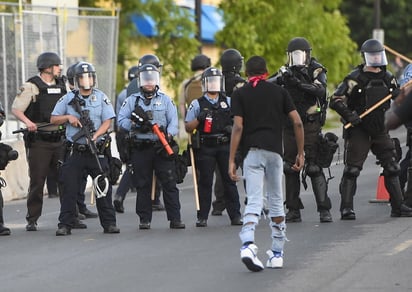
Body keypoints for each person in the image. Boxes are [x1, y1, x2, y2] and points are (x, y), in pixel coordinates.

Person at [229, 55, 304, 271]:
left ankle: (248, 245)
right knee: (276, 202)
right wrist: (300, 152)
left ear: (246, 73)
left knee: (253, 200)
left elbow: (238, 128)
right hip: (275, 153)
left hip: (252, 152)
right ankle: (277, 253)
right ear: (266, 70)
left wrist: (232, 159)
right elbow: (297, 122)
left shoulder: (239, 93)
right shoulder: (280, 92)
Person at [330, 38, 412, 219]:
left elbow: (398, 99)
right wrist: (349, 115)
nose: (376, 59)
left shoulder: (388, 78)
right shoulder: (354, 79)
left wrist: (400, 95)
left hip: (380, 129)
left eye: (378, 55)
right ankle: (346, 208)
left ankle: (398, 206)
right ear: (366, 57)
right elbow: (335, 99)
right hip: (359, 129)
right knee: (352, 170)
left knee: (392, 166)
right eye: (372, 56)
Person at [51, 61, 120, 235]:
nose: (86, 80)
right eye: (82, 77)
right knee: (69, 188)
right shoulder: (68, 98)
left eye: (89, 76)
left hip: (96, 150)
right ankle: (65, 224)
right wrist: (68, 117)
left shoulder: (101, 96)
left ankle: (109, 223)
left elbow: (108, 121)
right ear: (76, 80)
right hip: (76, 150)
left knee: (102, 188)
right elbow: (53, 119)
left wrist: (95, 137)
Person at [269, 37, 332, 223]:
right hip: (289, 124)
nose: (297, 58)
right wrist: (281, 79)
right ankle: (293, 209)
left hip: (310, 122)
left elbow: (321, 90)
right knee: (290, 166)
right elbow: (269, 85)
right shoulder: (285, 71)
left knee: (313, 166)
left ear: (307, 54)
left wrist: (298, 83)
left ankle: (324, 209)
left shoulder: (316, 69)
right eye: (293, 55)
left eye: (300, 54)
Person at [117, 63, 185, 230]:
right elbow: (121, 121)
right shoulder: (131, 101)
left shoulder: (166, 99)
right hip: (141, 147)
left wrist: (167, 134)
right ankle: (144, 219)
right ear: (140, 81)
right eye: (146, 79)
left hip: (161, 147)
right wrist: (135, 124)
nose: (149, 83)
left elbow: (174, 123)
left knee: (169, 182)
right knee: (143, 184)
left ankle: (175, 218)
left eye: (152, 79)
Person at [11, 52, 68, 231]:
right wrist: (28, 123)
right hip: (39, 142)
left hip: (60, 139)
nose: (60, 68)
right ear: (48, 67)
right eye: (57, 65)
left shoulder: (62, 85)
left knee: (66, 179)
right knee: (37, 180)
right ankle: (32, 219)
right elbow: (16, 109)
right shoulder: (31, 86)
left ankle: (69, 217)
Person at [185, 67, 242, 227]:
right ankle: (202, 216)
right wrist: (199, 119)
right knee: (205, 182)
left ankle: (235, 215)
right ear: (205, 84)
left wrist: (231, 127)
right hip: (206, 146)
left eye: (216, 81)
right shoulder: (197, 103)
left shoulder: (228, 101)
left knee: (229, 181)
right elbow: (188, 127)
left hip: (225, 145)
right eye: (210, 81)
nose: (214, 84)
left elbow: (238, 120)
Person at [114, 57, 165, 213]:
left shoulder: (127, 89)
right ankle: (154, 199)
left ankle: (120, 195)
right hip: (142, 131)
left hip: (124, 132)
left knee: (133, 166)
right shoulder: (149, 89)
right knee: (153, 164)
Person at [211, 48, 247, 216]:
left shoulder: (216, 82)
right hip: (239, 127)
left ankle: (219, 203)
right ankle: (252, 198)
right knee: (248, 166)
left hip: (223, 128)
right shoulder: (240, 83)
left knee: (224, 168)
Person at [65, 62, 98, 220]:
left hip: (87, 141)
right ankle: (72, 212)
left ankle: (81, 206)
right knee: (71, 178)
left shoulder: (90, 95)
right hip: (68, 142)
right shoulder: (66, 97)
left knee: (83, 176)